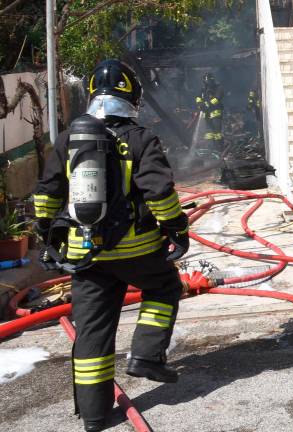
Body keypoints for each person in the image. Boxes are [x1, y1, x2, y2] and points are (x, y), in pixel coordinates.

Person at [33, 59, 190, 432]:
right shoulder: (140, 138)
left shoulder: (70, 138)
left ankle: (94, 416)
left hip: (86, 256)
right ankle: (147, 356)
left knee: (92, 333)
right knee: (164, 285)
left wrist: (50, 238)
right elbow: (159, 193)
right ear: (130, 96)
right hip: (138, 251)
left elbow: (47, 194)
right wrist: (177, 228)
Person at [195, 72, 223, 157]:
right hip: (206, 113)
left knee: (217, 132)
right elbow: (198, 97)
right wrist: (200, 104)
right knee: (208, 133)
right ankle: (210, 148)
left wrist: (208, 104)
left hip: (215, 113)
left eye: (208, 81)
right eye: (206, 81)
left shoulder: (218, 87)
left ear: (212, 80)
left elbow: (218, 97)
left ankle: (219, 148)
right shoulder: (203, 89)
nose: (207, 83)